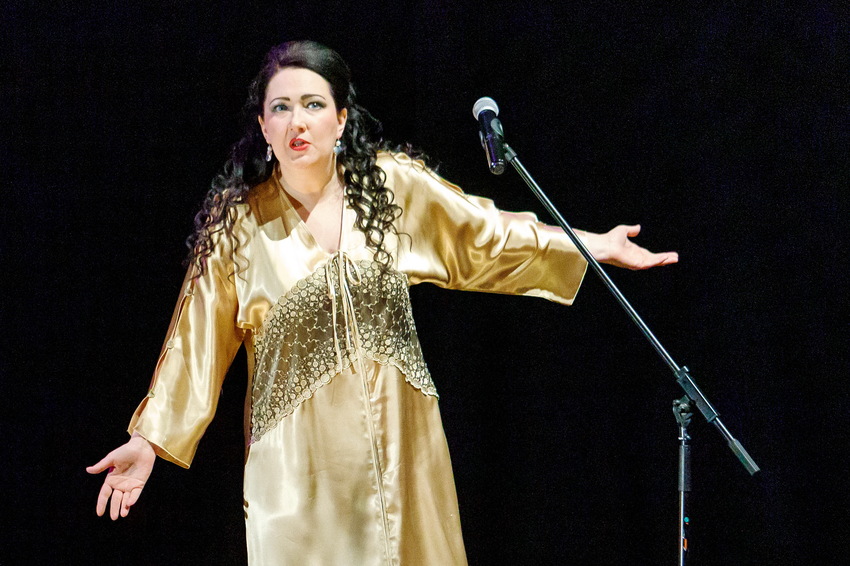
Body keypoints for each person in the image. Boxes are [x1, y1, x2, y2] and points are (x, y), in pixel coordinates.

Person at [87, 40, 677, 565]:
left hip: (404, 456)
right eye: (281, 108)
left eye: (313, 104)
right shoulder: (237, 227)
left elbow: (487, 236)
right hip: (297, 474)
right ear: (263, 127)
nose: (298, 121)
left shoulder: (391, 187)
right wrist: (149, 441)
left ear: (341, 119)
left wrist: (594, 245)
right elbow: (195, 341)